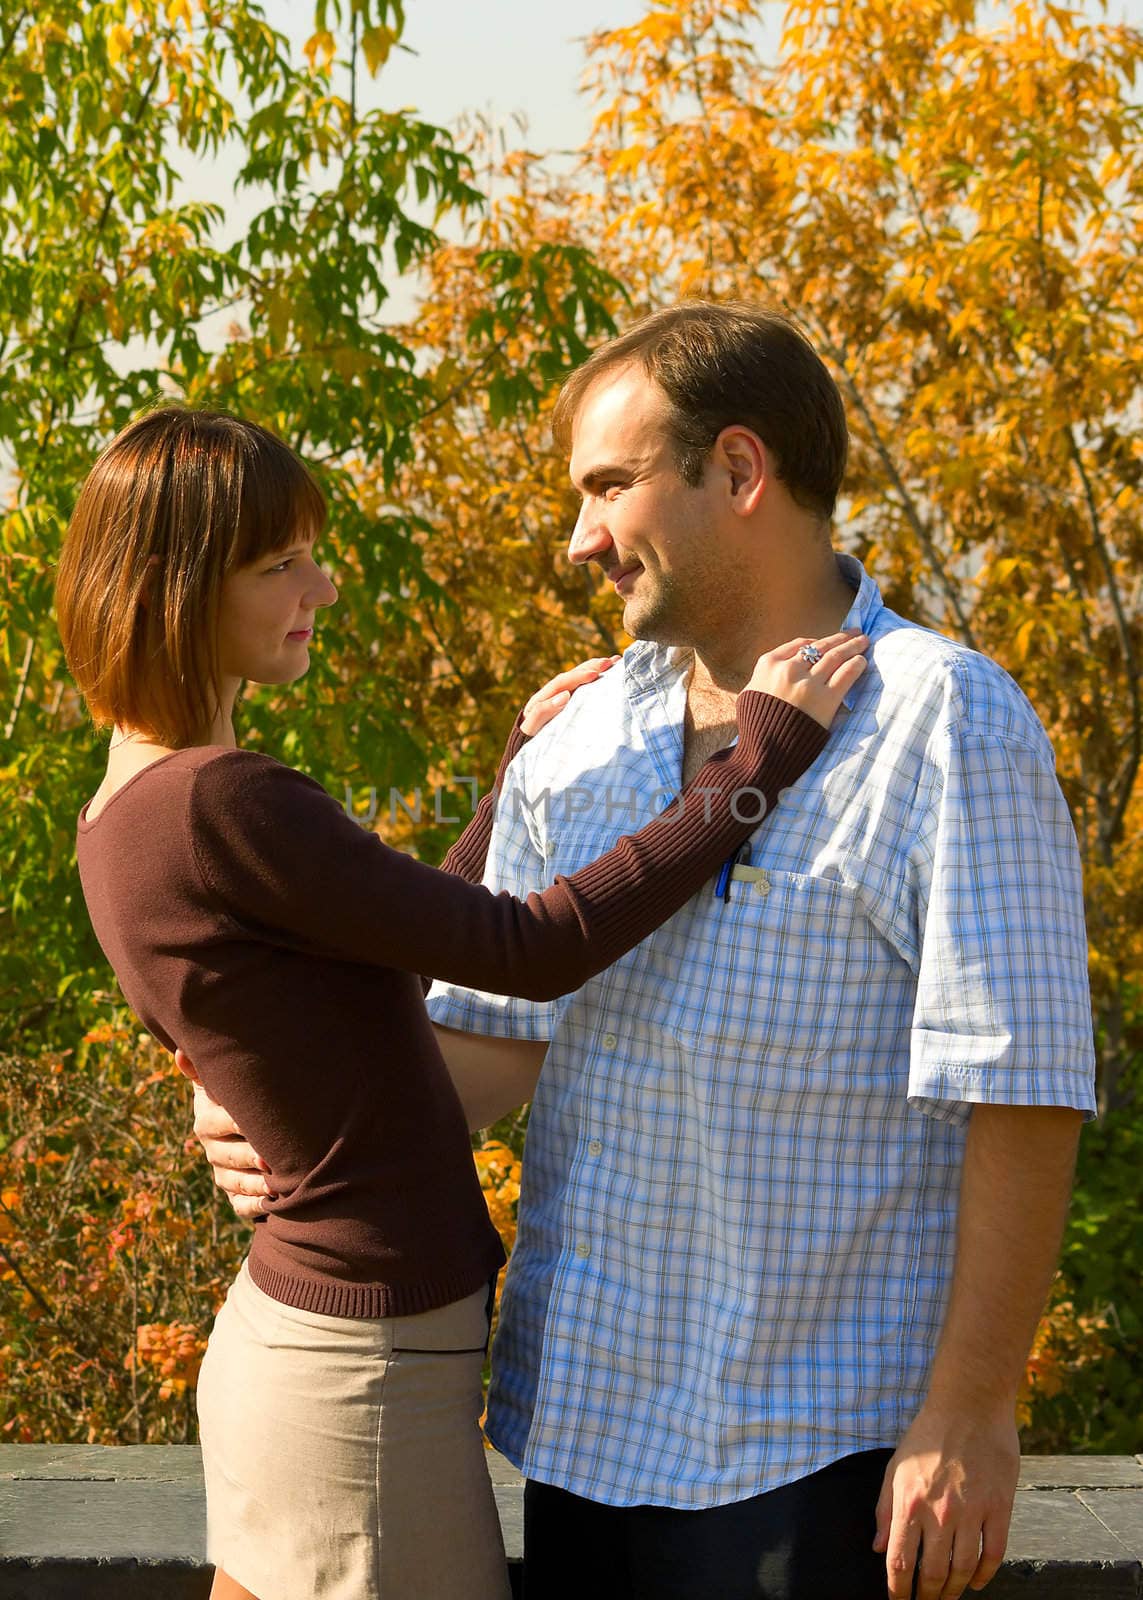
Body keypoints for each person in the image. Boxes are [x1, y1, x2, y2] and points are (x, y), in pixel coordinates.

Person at [195, 303, 1097, 1600]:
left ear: (736, 472)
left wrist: (969, 1410)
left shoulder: (942, 719)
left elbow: (1016, 1085)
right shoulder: (579, 744)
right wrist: (273, 1108)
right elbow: (480, 1056)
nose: (578, 540)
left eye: (608, 487)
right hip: (579, 1441)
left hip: (818, 1455)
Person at [57, 404, 866, 1600]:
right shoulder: (223, 800)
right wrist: (755, 768)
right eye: (281, 565)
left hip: (318, 1348)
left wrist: (508, 782)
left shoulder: (132, 806)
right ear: (177, 587)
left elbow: (379, 946)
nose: (320, 589)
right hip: (355, 1372)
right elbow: (528, 950)